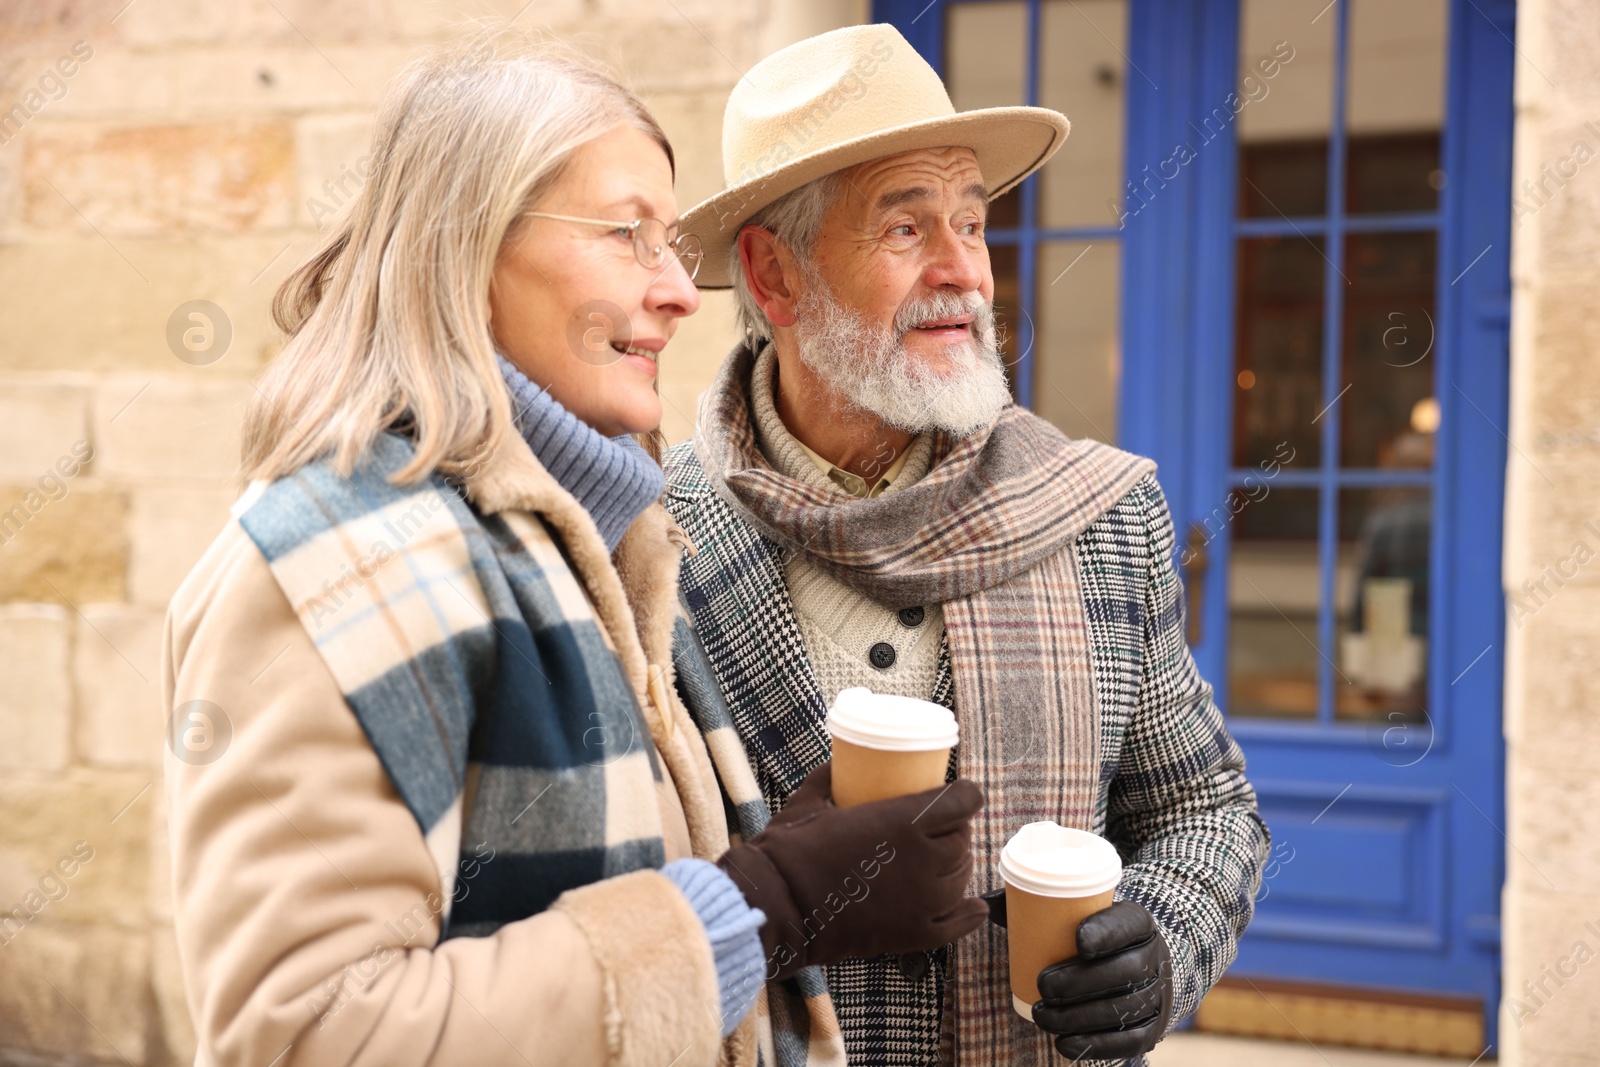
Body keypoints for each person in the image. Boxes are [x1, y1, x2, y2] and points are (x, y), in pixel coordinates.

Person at [162, 30, 986, 1067]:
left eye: (670, 244)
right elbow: (304, 1034)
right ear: (464, 245)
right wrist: (765, 903)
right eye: (624, 235)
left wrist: (773, 869)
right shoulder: (330, 564)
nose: (684, 294)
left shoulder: (603, 542)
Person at [663, 24, 1272, 1067]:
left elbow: (1205, 807)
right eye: (906, 229)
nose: (965, 273)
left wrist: (1162, 944)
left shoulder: (1100, 511)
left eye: (973, 224)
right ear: (773, 276)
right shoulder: (648, 540)